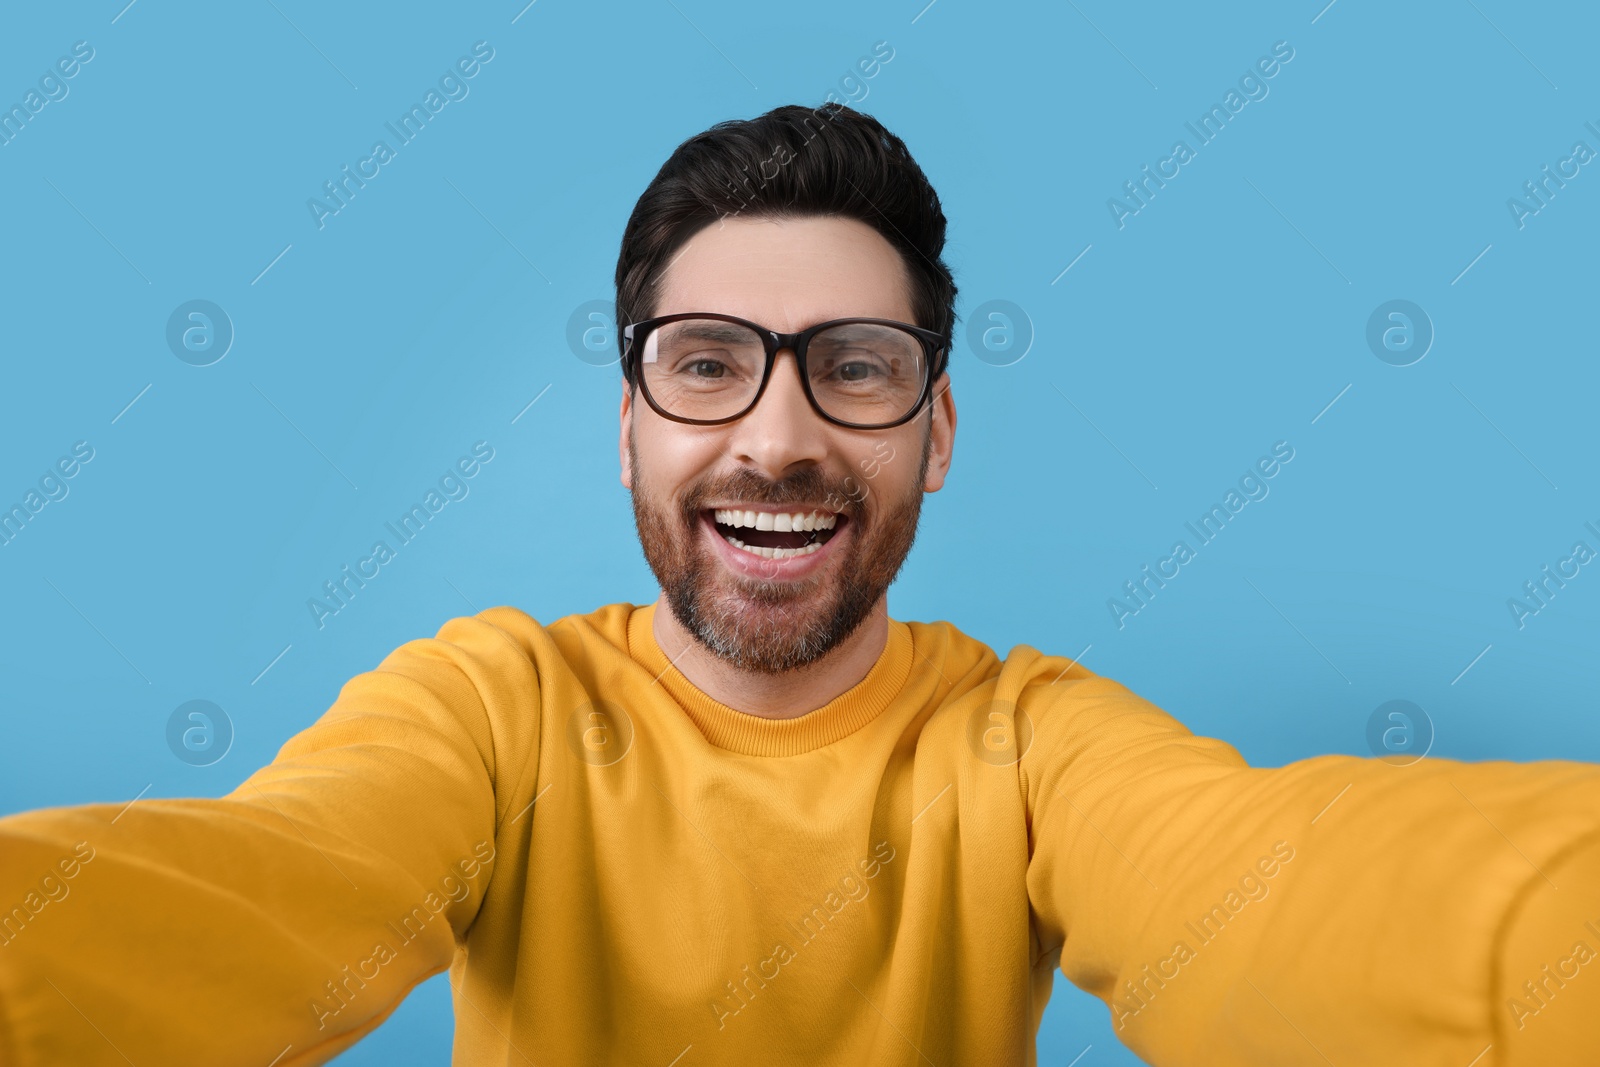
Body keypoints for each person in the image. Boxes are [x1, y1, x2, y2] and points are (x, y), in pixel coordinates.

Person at [1, 102, 1596, 1067]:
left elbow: (1274, 893)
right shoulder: (495, 711)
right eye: (707, 367)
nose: (777, 434)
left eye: (854, 366)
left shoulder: (1027, 745)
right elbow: (256, 891)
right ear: (629, 432)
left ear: (937, 427)